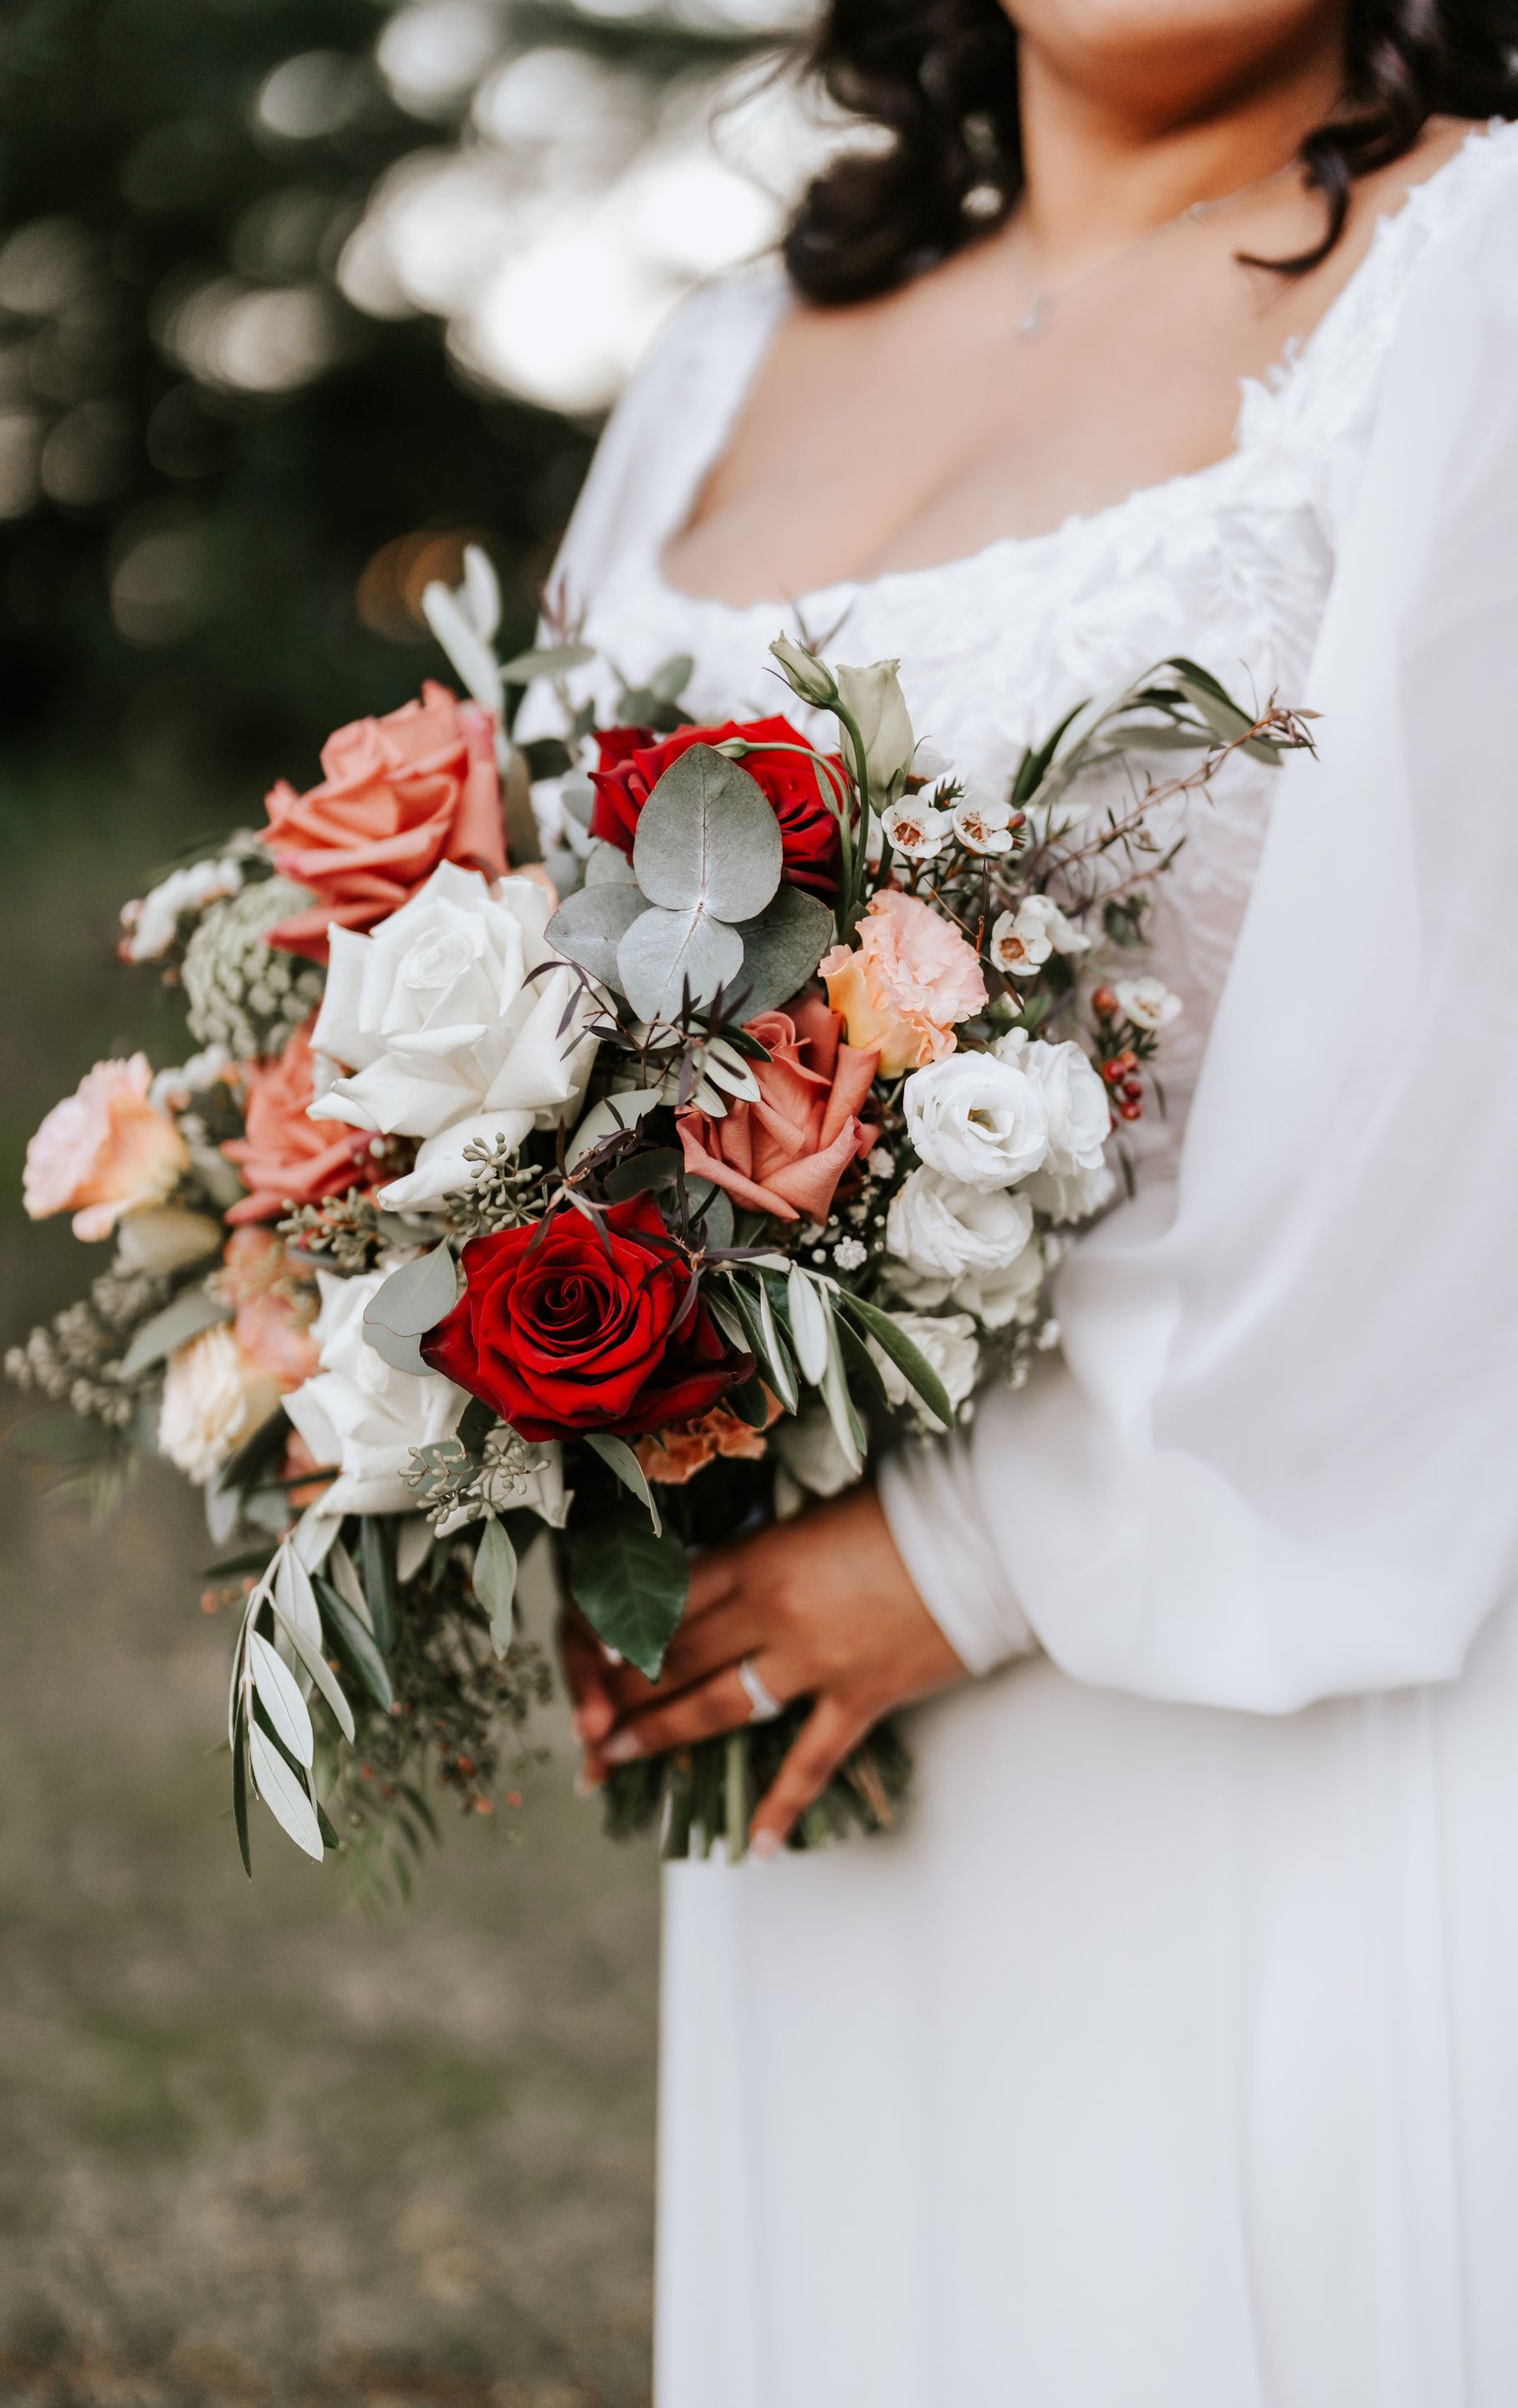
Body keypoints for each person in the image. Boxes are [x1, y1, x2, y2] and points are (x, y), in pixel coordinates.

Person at [544, 4, 1518, 2399]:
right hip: (801, 1700)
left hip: (1276, 1651)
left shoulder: (1477, 266)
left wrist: (974, 1553)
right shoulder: (726, 346)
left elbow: (1472, 1065)